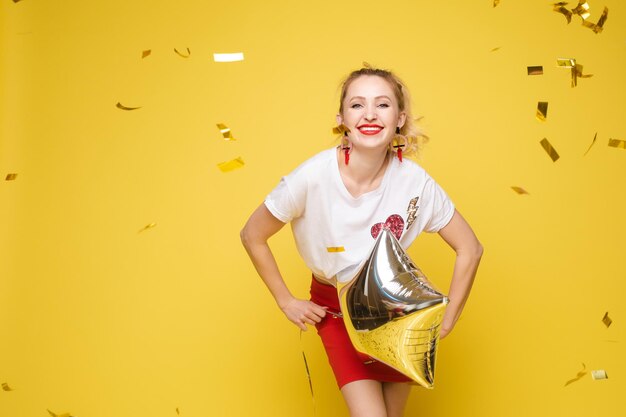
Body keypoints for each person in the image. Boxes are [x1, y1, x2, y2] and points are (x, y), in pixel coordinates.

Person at [240, 66, 483, 417]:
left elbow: (470, 248)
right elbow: (252, 234)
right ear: (341, 118)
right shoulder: (312, 176)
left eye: (382, 105)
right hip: (336, 310)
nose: (369, 114)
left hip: (398, 310)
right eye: (357, 105)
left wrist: (447, 319)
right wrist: (285, 301)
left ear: (399, 118)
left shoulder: (415, 182)